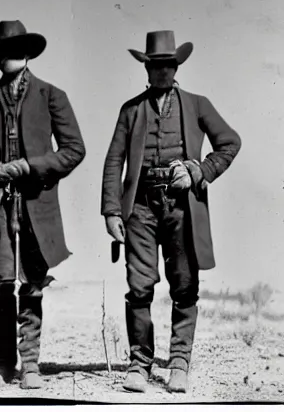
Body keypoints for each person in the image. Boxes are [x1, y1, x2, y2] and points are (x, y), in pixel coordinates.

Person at [101, 30, 241, 393]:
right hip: (141, 209)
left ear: (176, 66)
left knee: (184, 285)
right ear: (146, 69)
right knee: (139, 285)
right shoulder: (130, 109)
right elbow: (114, 160)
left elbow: (229, 143)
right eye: (155, 65)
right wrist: (112, 211)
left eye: (168, 64)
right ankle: (139, 364)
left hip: (182, 209)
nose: (161, 71)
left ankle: (179, 363)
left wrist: (198, 170)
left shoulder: (197, 104)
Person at [0, 20, 86, 390]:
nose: (8, 57)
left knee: (31, 283)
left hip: (36, 204)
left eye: (15, 50)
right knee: (1, 283)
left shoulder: (51, 95)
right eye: (2, 52)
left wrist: (32, 165)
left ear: (28, 54)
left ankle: (31, 364)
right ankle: (3, 363)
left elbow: (74, 150)